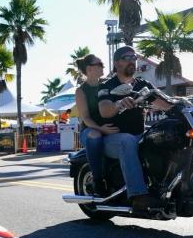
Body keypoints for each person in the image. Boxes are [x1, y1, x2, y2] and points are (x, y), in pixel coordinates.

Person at [97, 45, 173, 210]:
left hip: (139, 134)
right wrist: (118, 103)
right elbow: (104, 110)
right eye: (127, 58)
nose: (132, 61)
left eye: (134, 57)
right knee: (127, 141)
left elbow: (163, 102)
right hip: (113, 139)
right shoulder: (106, 86)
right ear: (117, 63)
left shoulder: (142, 84)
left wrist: (182, 104)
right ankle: (138, 196)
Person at [73, 53, 113, 195]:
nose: (103, 66)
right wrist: (101, 129)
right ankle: (98, 180)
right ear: (89, 69)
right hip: (90, 129)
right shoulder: (81, 91)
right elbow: (85, 118)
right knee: (95, 136)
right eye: (100, 64)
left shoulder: (108, 82)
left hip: (109, 127)